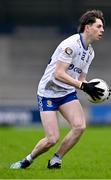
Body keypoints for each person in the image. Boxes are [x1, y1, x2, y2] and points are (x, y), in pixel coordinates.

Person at [10, 9, 105, 169]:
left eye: (103, 27)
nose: (102, 30)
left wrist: (90, 89)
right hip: (48, 93)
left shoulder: (90, 52)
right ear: (87, 27)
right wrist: (83, 85)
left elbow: (81, 79)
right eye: (99, 26)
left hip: (67, 93)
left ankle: (56, 159)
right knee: (52, 139)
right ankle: (27, 160)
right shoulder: (70, 45)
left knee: (80, 126)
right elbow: (59, 73)